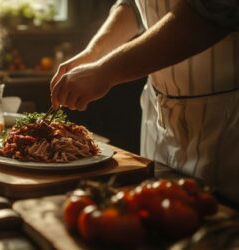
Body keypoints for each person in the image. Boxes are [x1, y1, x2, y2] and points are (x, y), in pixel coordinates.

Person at [50, 0, 238, 204]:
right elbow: (134, 5)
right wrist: (93, 55)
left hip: (225, 116)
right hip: (158, 112)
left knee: (220, 219)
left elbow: (210, 12)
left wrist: (105, 70)